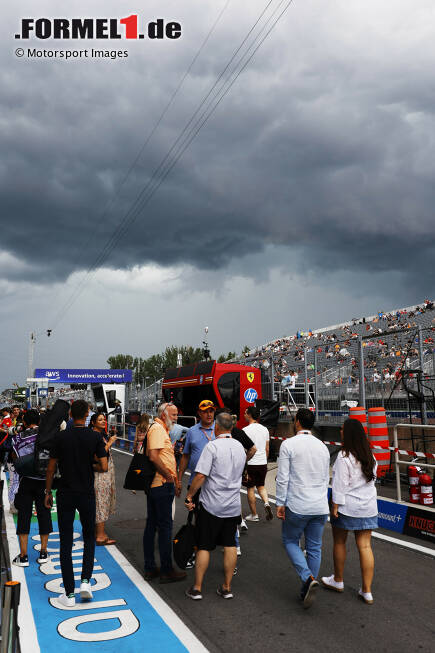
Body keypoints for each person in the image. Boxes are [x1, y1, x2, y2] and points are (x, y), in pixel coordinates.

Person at [44, 399, 108, 608]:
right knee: (89, 537)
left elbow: (51, 468)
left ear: (70, 414)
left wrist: (47, 491)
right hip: (86, 493)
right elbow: (104, 465)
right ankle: (86, 582)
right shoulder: (95, 436)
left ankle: (69, 594)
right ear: (88, 414)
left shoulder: (60, 437)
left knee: (65, 541)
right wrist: (88, 464)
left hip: (65, 492)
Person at [184, 412, 246, 600]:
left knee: (203, 545)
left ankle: (197, 588)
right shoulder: (240, 447)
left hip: (211, 504)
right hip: (233, 505)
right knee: (229, 544)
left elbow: (201, 476)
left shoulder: (212, 447)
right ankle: (226, 587)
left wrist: (189, 495)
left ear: (217, 427)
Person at [275, 408, 330, 609]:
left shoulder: (288, 444)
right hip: (319, 504)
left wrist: (280, 502)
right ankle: (308, 584)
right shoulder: (322, 447)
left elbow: (283, 477)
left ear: (297, 422)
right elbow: (325, 478)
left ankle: (307, 579)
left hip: (298, 503)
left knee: (290, 540)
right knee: (314, 547)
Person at [321, 418, 378, 605]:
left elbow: (339, 485)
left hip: (347, 506)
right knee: (365, 546)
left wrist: (335, 506)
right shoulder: (370, 456)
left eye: (343, 430)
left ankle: (338, 580)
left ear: (349, 434)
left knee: (339, 541)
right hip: (368, 507)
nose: (340, 432)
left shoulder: (344, 457)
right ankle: (367, 591)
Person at [143, 403, 186, 584]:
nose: (176, 418)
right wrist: (169, 475)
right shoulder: (158, 429)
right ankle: (167, 570)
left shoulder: (159, 428)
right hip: (161, 484)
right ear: (164, 414)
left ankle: (151, 567)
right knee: (165, 527)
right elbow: (153, 456)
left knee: (152, 525)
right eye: (174, 414)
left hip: (158, 484)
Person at [11, 409, 52, 567]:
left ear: (25, 422)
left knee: (24, 516)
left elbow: (15, 459)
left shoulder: (18, 438)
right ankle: (43, 552)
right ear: (40, 422)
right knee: (44, 514)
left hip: (26, 481)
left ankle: (23, 556)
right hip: (44, 480)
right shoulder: (46, 436)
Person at [90, 413, 117, 545]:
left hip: (105, 474)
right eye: (100, 420)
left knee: (103, 501)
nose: (103, 421)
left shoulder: (101, 435)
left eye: (104, 419)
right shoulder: (95, 436)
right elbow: (96, 456)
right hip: (100, 475)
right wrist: (110, 443)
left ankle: (99, 532)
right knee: (101, 503)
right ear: (93, 422)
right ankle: (100, 536)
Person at [242, 406, 273, 521]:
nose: (244, 414)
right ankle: (266, 503)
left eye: (245, 413)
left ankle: (254, 515)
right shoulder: (265, 429)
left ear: (249, 415)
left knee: (250, 488)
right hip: (262, 463)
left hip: (251, 463)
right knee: (261, 486)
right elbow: (267, 448)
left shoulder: (245, 430)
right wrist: (265, 460)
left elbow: (244, 449)